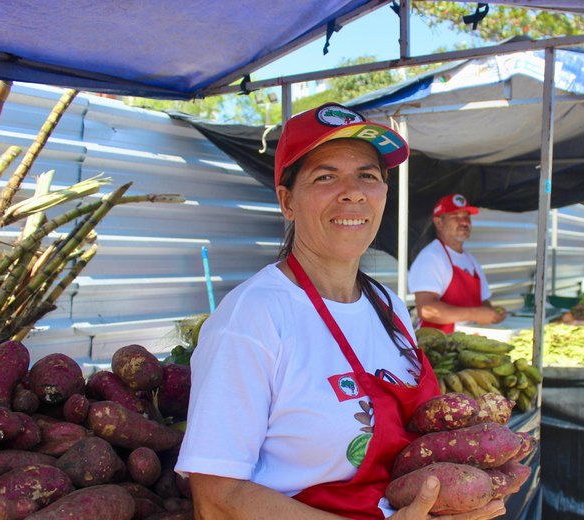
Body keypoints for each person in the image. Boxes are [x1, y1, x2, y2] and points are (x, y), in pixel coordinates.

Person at [175, 103, 506, 520]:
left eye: (368, 175)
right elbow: (217, 499)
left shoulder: (388, 307)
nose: (353, 192)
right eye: (325, 176)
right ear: (286, 201)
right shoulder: (253, 318)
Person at [407, 193, 507, 333]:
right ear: (439, 223)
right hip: (440, 348)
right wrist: (476, 314)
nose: (464, 222)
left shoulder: (470, 260)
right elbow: (427, 309)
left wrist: (493, 314)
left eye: (467, 216)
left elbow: (483, 302)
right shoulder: (431, 257)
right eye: (455, 216)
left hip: (468, 347)